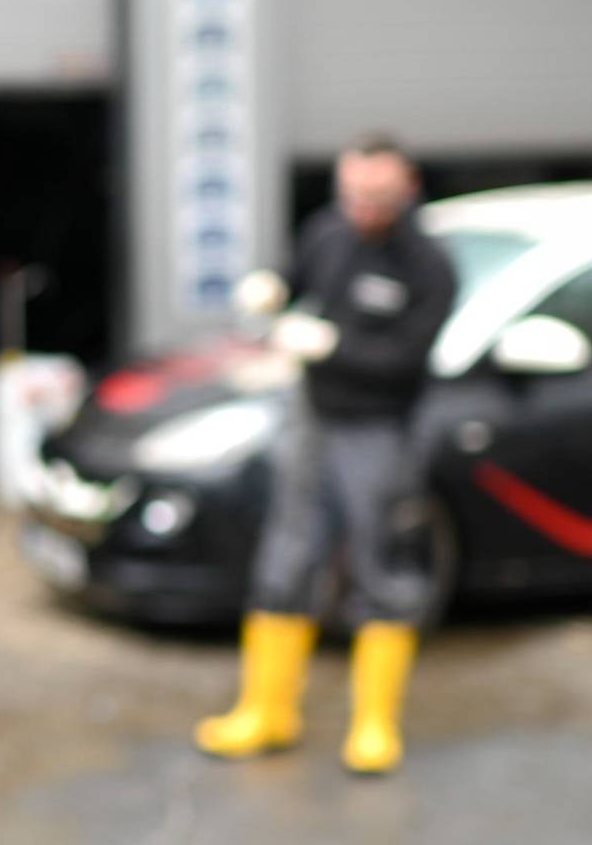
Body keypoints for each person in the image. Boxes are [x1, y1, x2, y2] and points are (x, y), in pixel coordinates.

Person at [195, 132, 456, 774]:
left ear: (407, 190)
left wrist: (332, 347)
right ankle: (267, 709)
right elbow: (296, 275)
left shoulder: (428, 267)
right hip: (313, 420)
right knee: (287, 554)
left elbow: (406, 361)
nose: (363, 209)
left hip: (379, 431)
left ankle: (373, 725)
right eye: (354, 195)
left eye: (377, 197)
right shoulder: (327, 233)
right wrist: (272, 288)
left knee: (381, 566)